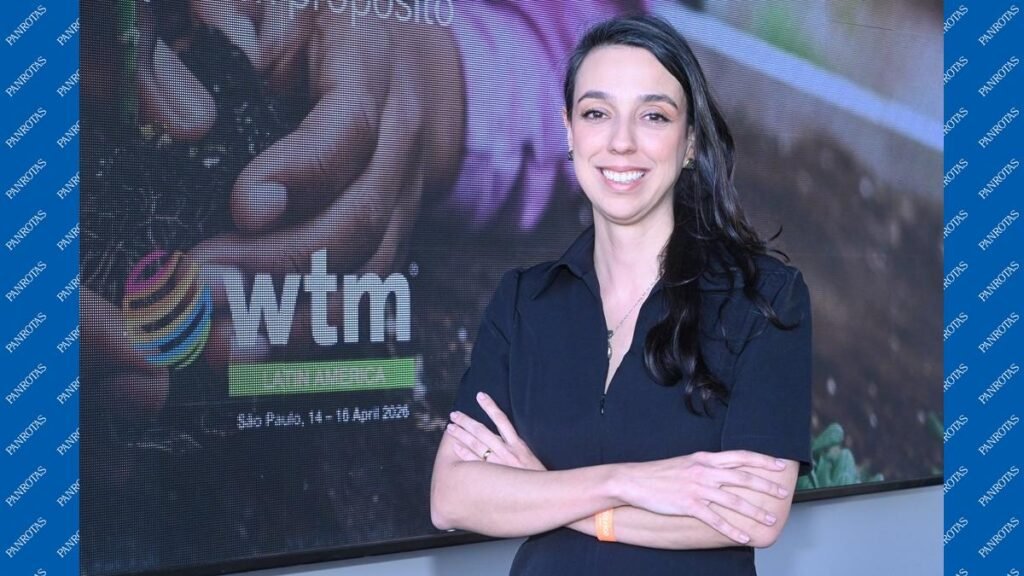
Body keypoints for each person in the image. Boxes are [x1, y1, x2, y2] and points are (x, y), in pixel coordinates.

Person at [430, 14, 812, 575]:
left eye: (653, 115)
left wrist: (545, 491)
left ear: (690, 142)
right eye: (596, 113)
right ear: (568, 132)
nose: (622, 142)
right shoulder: (523, 301)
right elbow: (452, 497)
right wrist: (625, 482)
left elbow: (755, 516)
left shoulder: (762, 298)